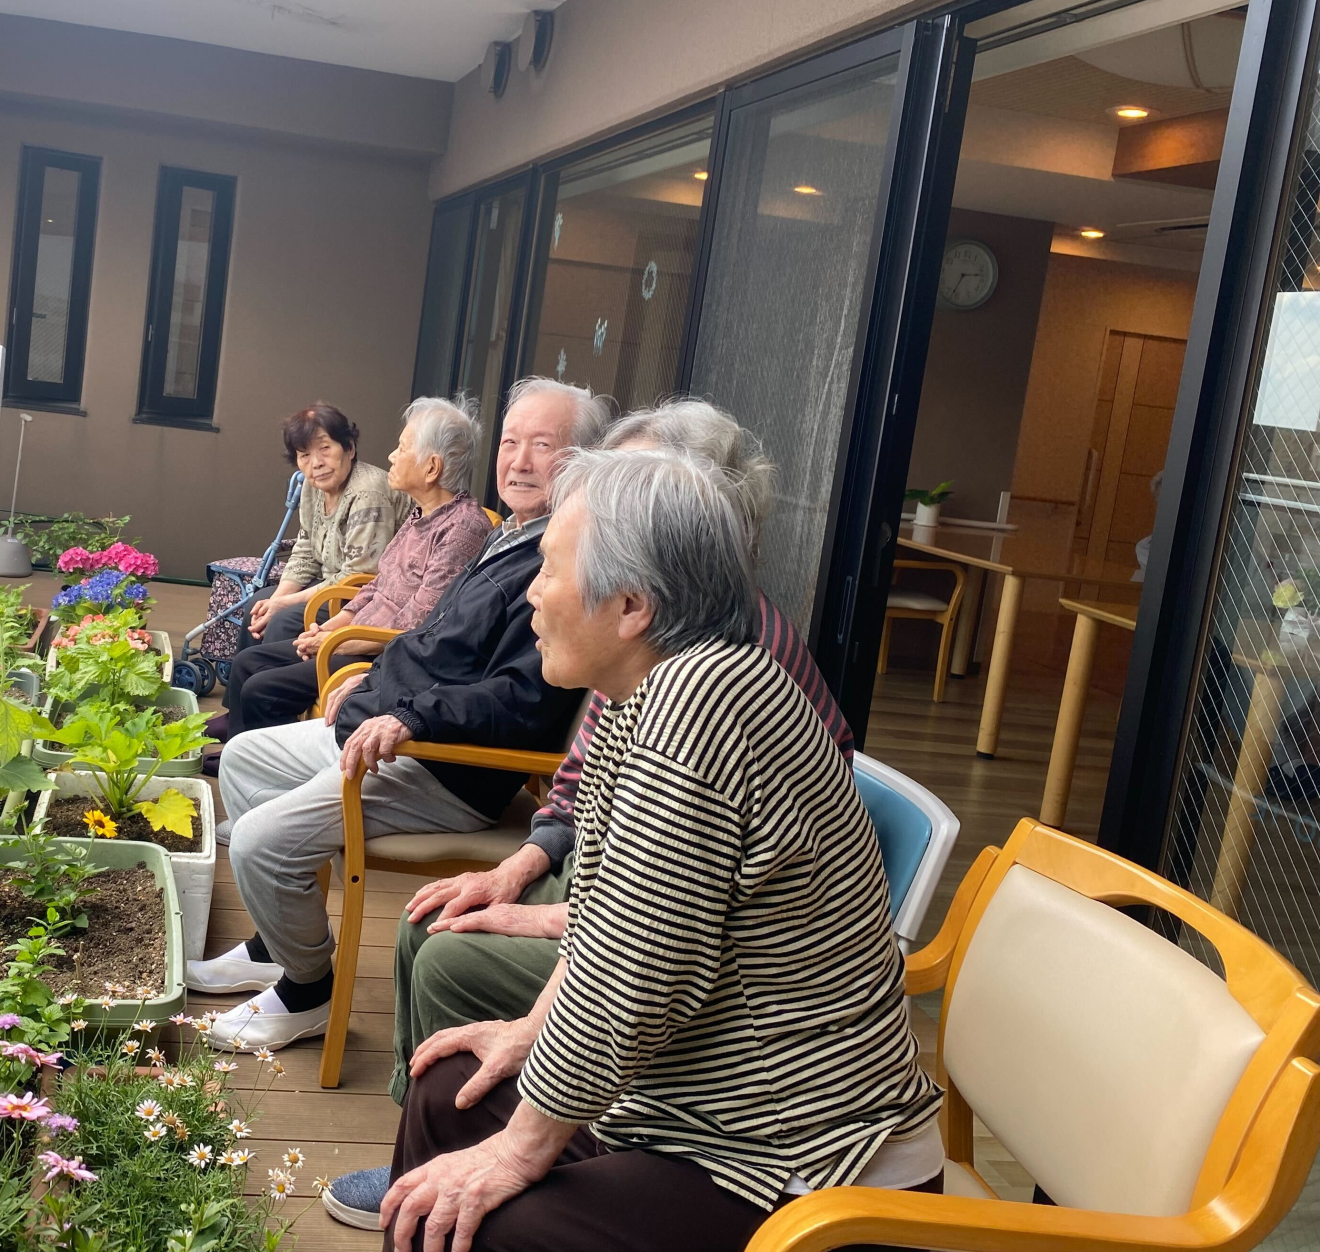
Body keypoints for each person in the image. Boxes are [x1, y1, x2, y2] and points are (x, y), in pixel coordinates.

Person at [379, 449, 942, 1252]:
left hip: (802, 1161)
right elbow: (610, 925)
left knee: (499, 1218)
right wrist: (530, 1034)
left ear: (632, 606)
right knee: (448, 1094)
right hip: (696, 1115)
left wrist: (519, 1151)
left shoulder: (698, 705)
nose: (531, 592)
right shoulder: (640, 695)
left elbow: (634, 982)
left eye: (549, 569)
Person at [187, 378, 612, 1049]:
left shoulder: (561, 565)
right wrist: (369, 677)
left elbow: (519, 699)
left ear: (583, 462)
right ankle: (278, 943)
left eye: (543, 445)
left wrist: (409, 714)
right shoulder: (512, 534)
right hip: (390, 724)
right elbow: (429, 636)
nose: (519, 461)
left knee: (260, 840)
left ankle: (308, 991)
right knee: (243, 757)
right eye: (511, 443)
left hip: (439, 764)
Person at [218, 395, 494, 744]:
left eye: (402, 448)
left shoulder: (462, 529)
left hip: (380, 655)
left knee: (262, 687)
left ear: (431, 468)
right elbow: (376, 586)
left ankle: (261, 761)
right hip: (357, 636)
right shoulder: (421, 514)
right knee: (248, 663)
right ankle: (237, 751)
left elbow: (418, 625)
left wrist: (335, 642)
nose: (391, 456)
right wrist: (329, 629)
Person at [240, 403, 409, 650]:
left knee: (282, 621)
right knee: (256, 607)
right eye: (304, 455)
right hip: (329, 585)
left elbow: (358, 577)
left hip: (363, 597)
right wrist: (276, 599)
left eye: (325, 448)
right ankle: (246, 674)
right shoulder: (313, 487)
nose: (316, 463)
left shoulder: (368, 492)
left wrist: (284, 605)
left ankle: (276, 675)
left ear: (349, 448)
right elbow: (306, 550)